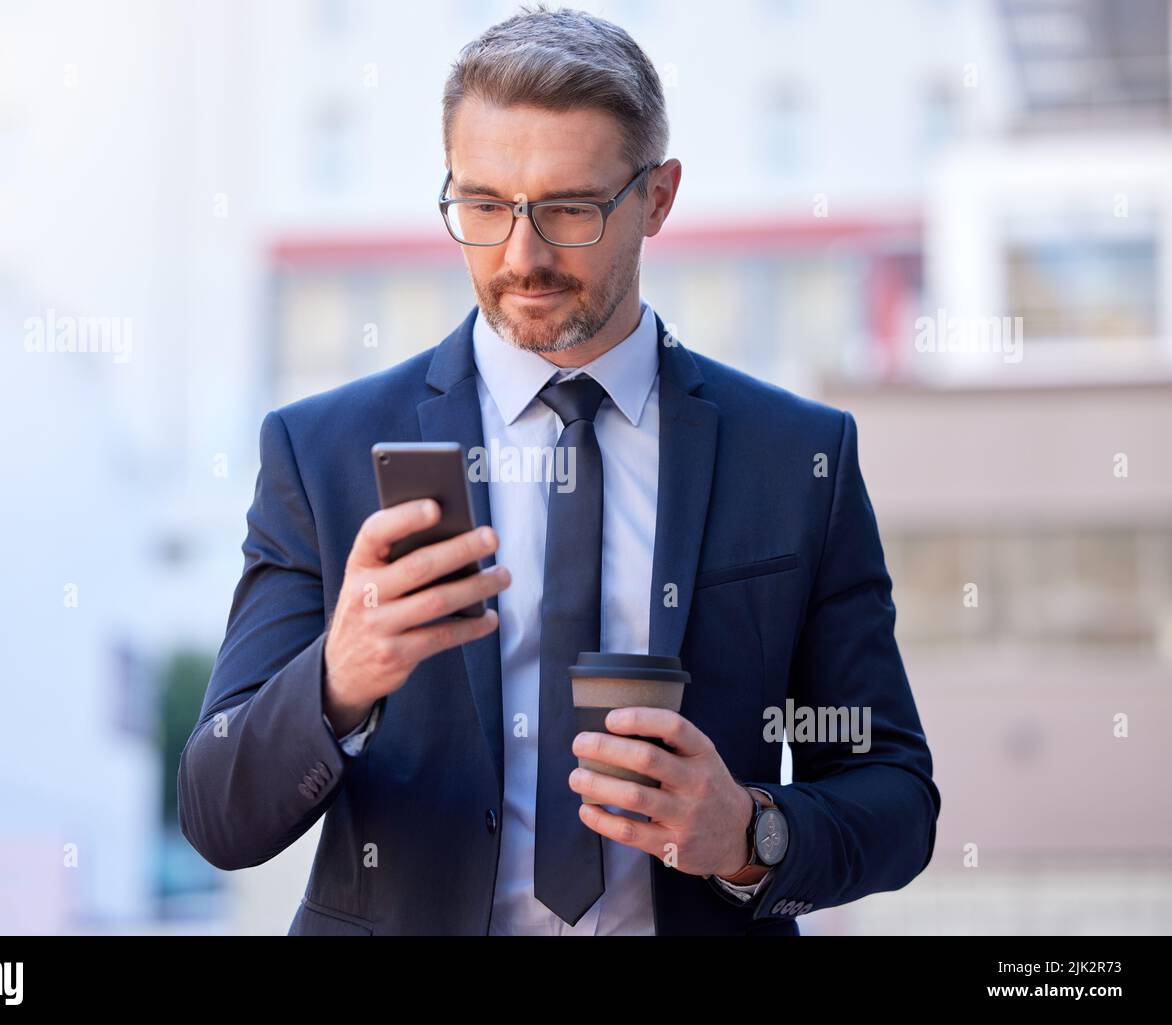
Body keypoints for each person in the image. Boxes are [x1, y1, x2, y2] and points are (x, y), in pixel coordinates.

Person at [178, 3, 939, 936]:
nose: (521, 256)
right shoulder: (322, 452)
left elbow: (894, 795)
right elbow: (218, 811)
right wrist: (338, 678)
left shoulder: (796, 459)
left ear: (657, 198)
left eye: (571, 209)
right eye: (485, 206)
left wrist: (751, 831)